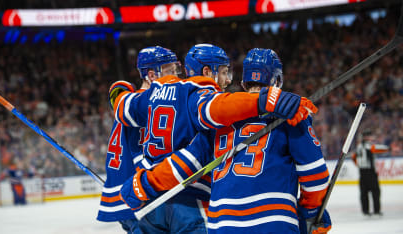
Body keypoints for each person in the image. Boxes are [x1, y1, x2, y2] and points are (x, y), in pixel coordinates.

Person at [118, 48, 331, 234]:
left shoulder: (220, 121)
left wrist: (143, 184)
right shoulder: (292, 112)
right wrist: (310, 213)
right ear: (277, 81)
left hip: (223, 223)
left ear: (243, 82)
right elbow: (316, 177)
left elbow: (184, 164)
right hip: (274, 221)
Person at [97, 46, 180, 233]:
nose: (176, 77)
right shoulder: (152, 105)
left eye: (176, 70)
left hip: (122, 196)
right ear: (152, 75)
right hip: (139, 199)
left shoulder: (129, 103)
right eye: (170, 71)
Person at [351, 129, 389, 216]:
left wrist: (359, 165)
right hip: (370, 172)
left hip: (362, 172)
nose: (372, 138)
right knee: (375, 191)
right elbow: (376, 148)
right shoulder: (367, 146)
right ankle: (376, 210)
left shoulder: (359, 146)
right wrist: (389, 148)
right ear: (366, 137)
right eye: (370, 136)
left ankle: (365, 210)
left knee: (364, 192)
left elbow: (353, 157)